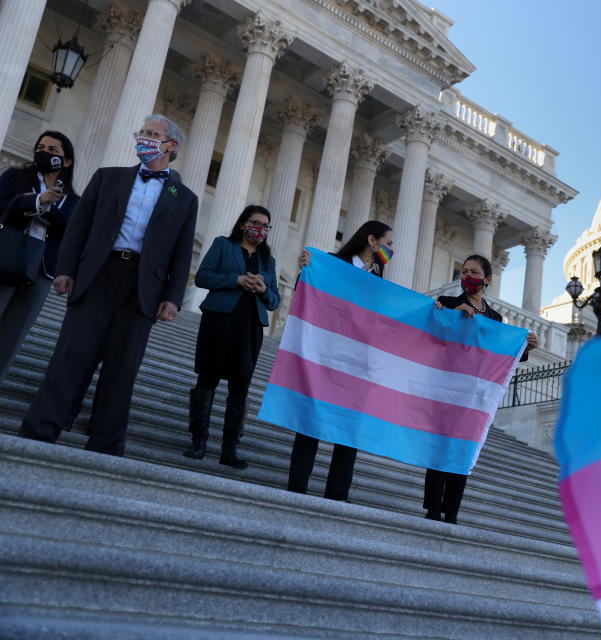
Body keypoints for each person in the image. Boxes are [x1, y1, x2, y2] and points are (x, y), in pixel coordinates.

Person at [19, 114, 198, 456]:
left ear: (171, 146)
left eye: (152, 134)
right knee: (70, 357)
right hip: (98, 274)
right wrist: (65, 269)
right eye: (142, 132)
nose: (143, 138)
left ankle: (106, 444)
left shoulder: (184, 197)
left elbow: (181, 251)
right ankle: (39, 431)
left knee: (123, 367)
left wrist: (174, 297)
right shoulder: (108, 178)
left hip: (143, 287)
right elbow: (78, 228)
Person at [424, 254, 538, 524]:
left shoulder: (495, 318)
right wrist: (449, 314)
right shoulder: (450, 303)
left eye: (473, 272)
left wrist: (527, 347)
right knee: (441, 446)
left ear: (487, 279)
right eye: (464, 271)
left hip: (476, 396)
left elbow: (504, 351)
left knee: (464, 449)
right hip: (448, 388)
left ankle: (451, 510)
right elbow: (434, 332)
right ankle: (433, 507)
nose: (467, 276)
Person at [287, 220, 394, 501]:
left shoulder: (380, 283)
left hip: (358, 365)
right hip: (324, 357)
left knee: (348, 432)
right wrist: (306, 270)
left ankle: (337, 496)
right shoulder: (330, 263)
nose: (391, 250)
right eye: (388, 243)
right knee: (310, 423)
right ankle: (296, 489)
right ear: (372, 240)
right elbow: (306, 294)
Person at [183, 205, 280, 470]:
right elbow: (203, 277)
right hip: (220, 320)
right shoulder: (223, 245)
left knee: (241, 386)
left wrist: (262, 288)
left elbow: (274, 300)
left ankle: (230, 449)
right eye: (255, 223)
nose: (260, 229)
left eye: (265, 225)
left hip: (250, 326)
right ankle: (198, 442)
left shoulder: (268, 261)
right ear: (242, 224)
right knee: (207, 378)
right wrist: (235, 280)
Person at [0, 131, 79, 381]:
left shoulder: (74, 200)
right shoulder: (15, 177)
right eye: (41, 147)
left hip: (42, 268)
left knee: (14, 332)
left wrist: (48, 209)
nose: (44, 153)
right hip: (7, 255)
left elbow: (73, 233)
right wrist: (36, 201)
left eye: (53, 151)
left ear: (66, 161)